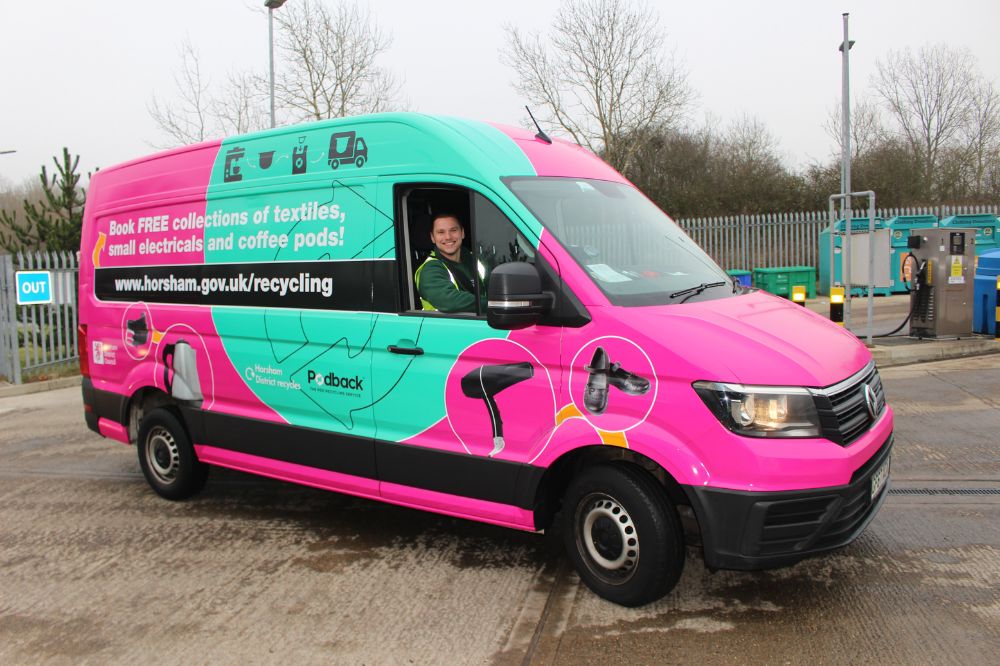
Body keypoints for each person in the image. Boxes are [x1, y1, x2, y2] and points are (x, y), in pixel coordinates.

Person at [415, 213, 483, 313]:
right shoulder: (430, 270)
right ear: (432, 237)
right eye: (441, 232)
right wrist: (494, 304)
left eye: (453, 230)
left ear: (462, 233)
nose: (448, 237)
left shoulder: (476, 260)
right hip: (445, 328)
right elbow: (451, 302)